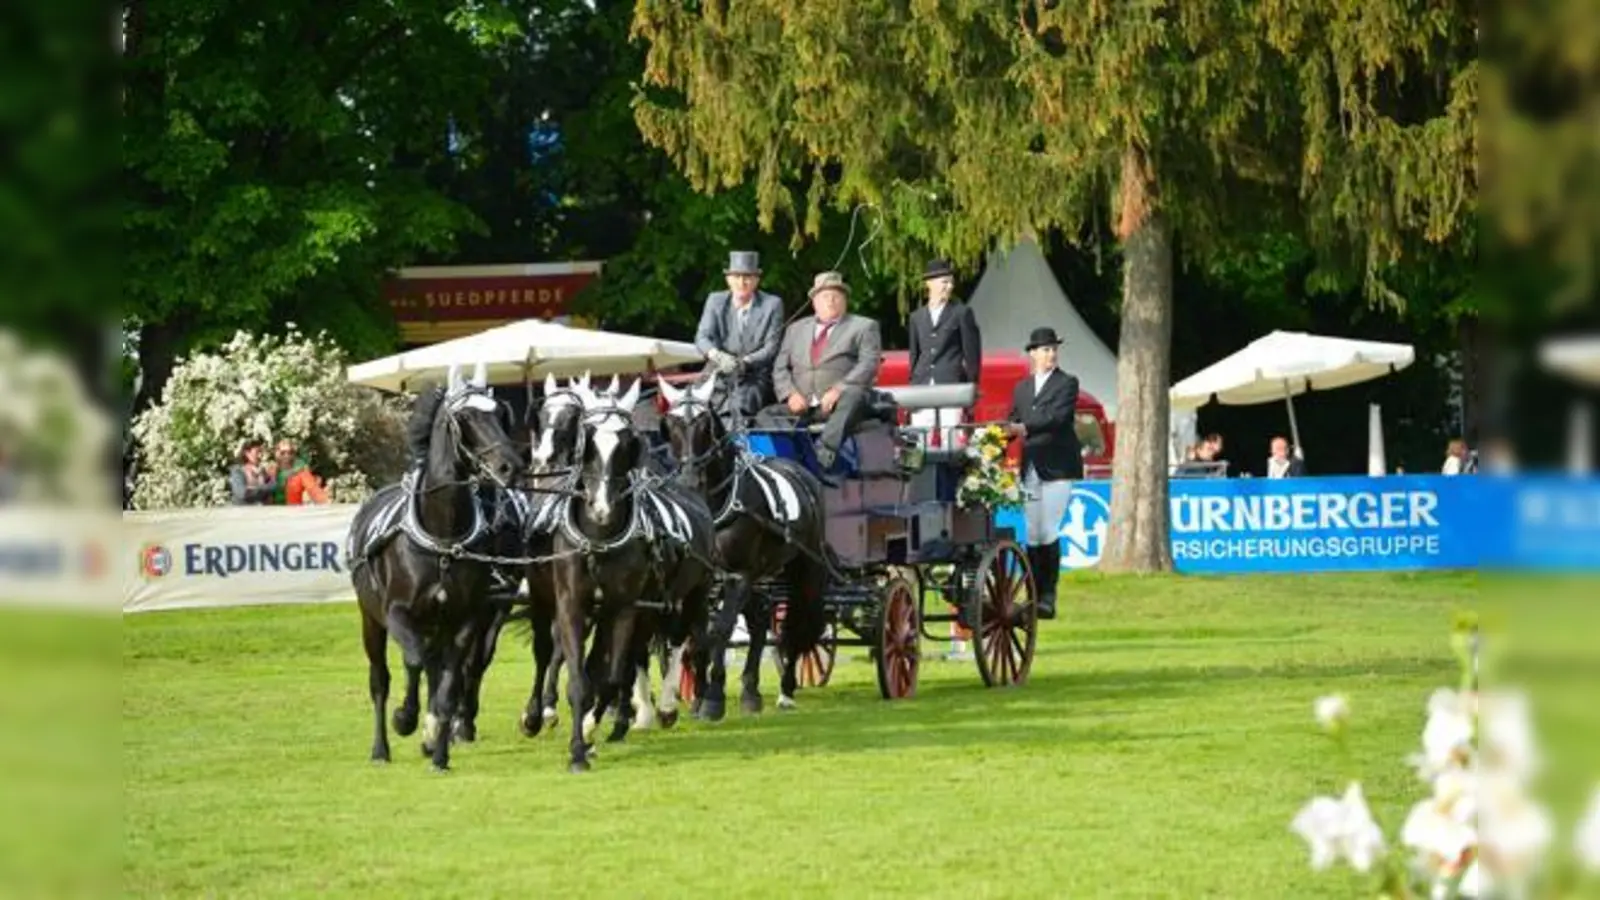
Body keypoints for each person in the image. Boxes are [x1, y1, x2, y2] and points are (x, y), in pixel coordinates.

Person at [762, 270, 883, 474]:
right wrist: (790, 393)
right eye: (825, 296)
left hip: (840, 403)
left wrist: (839, 389)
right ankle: (789, 459)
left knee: (853, 397)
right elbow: (780, 367)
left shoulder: (863, 326)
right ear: (814, 302)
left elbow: (869, 364)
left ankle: (824, 454)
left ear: (845, 300)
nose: (831, 300)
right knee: (765, 415)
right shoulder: (795, 329)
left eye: (837, 295)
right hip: (802, 405)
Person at [1004, 326, 1080, 621]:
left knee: (1049, 528)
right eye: (1045, 349)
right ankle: (1033, 594)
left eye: (1053, 349)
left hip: (1058, 464)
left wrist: (1025, 428)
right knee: (1033, 532)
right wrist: (993, 440)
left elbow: (1057, 418)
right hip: (1031, 465)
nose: (1051, 354)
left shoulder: (1067, 383)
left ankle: (1049, 595)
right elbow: (1013, 420)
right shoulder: (1022, 388)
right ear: (1032, 354)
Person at [693, 250, 785, 418]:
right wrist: (717, 355)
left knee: (738, 407)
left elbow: (771, 347)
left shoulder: (772, 305)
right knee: (691, 407)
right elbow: (702, 337)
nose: (742, 282)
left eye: (747, 277)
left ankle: (737, 442)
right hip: (717, 371)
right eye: (736, 277)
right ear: (728, 280)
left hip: (754, 375)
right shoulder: (715, 300)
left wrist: (745, 362)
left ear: (757, 280)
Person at [906, 258, 981, 448]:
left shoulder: (962, 313)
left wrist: (971, 385)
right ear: (929, 284)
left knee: (952, 437)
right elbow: (914, 354)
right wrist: (913, 381)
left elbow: (972, 354)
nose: (948, 286)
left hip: (951, 382)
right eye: (944, 282)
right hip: (922, 382)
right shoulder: (916, 317)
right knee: (920, 437)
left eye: (950, 282)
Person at [228, 438, 276, 505]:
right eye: (257, 452)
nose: (260, 455)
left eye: (261, 451)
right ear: (247, 453)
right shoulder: (238, 471)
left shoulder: (263, 471)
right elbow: (243, 494)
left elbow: (275, 486)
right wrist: (267, 488)